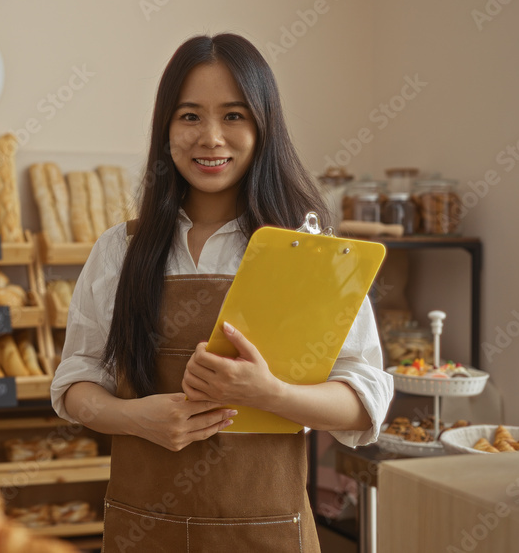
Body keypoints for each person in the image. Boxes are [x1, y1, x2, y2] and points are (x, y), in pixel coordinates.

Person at [50, 33, 394, 552]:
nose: (211, 137)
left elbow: (365, 398)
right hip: (145, 532)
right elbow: (75, 381)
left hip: (269, 533)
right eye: (190, 116)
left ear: (263, 127)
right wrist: (135, 418)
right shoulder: (122, 249)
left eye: (233, 116)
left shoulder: (312, 250)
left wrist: (271, 395)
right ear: (165, 129)